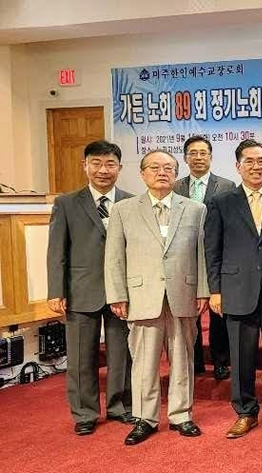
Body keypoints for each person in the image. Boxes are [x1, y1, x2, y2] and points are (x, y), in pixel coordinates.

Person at [105, 150, 209, 445]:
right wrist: (117, 294)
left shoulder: (195, 209)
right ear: (142, 174)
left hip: (183, 294)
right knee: (144, 362)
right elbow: (114, 257)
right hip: (142, 295)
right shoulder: (123, 210)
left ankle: (181, 415)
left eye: (168, 168)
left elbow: (202, 254)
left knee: (183, 359)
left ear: (176, 173)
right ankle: (145, 418)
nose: (162, 172)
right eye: (154, 167)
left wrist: (203, 289)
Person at [205, 139, 262, 438]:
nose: (256, 166)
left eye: (261, 161)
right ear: (238, 166)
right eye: (249, 161)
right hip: (236, 288)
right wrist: (215, 290)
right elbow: (212, 250)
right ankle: (245, 412)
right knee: (241, 356)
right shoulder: (221, 202)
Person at [47, 140, 134, 436]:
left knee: (122, 353)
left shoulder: (131, 202)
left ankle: (120, 406)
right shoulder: (67, 203)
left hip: (122, 291)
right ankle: (84, 412)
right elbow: (56, 251)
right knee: (81, 356)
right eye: (96, 163)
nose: (103, 170)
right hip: (81, 289)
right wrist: (56, 290)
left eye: (110, 164)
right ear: (85, 166)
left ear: (119, 168)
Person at [174, 135, 236, 381]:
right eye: (193, 153)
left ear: (211, 157)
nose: (198, 157)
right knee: (189, 310)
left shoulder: (227, 186)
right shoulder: (176, 187)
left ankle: (221, 361)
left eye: (203, 153)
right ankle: (195, 360)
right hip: (185, 256)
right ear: (185, 158)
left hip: (217, 253)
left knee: (218, 310)